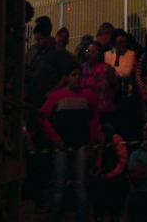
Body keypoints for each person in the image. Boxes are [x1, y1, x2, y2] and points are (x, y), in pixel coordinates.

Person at [38, 65, 99, 222]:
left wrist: (91, 142)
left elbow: (94, 119)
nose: (77, 78)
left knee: (80, 184)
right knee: (59, 184)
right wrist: (54, 137)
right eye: (73, 75)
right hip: (62, 145)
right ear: (66, 78)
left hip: (81, 145)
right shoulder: (57, 96)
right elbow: (42, 116)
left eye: (79, 75)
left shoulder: (88, 95)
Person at [105, 28, 140, 140]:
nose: (122, 45)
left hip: (125, 94)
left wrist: (113, 71)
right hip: (111, 94)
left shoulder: (131, 54)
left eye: (124, 42)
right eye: (119, 42)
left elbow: (126, 72)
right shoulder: (107, 55)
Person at [94, 131, 129, 222]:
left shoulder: (116, 140)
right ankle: (99, 216)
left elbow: (122, 162)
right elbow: (98, 164)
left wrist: (110, 175)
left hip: (117, 174)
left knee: (116, 184)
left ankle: (114, 216)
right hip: (104, 174)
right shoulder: (99, 144)